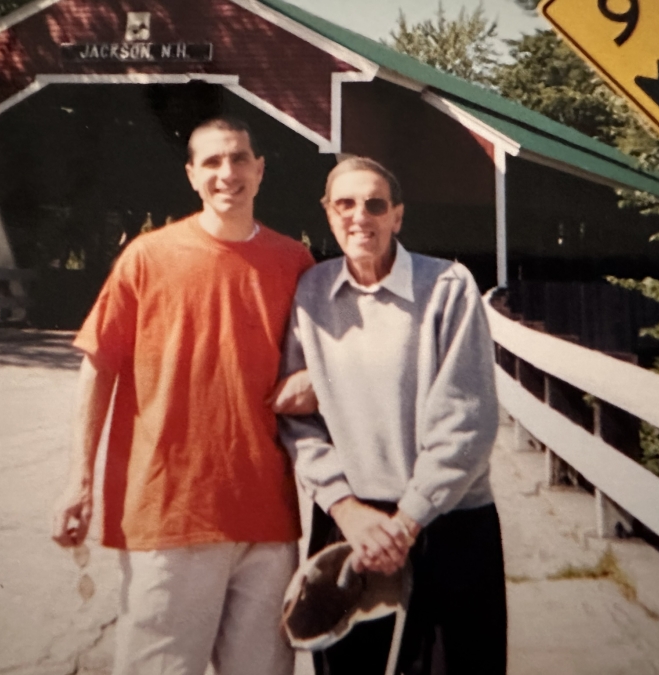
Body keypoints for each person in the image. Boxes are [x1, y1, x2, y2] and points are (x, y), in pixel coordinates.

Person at [50, 116, 314, 675]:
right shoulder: (147, 258)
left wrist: (319, 378)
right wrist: (79, 478)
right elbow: (97, 370)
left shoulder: (295, 264)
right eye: (212, 162)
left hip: (267, 519)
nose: (228, 173)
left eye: (240, 158)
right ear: (192, 175)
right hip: (169, 514)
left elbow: (328, 367)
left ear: (260, 170)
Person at [279, 157, 506, 674]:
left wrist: (407, 523)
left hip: (444, 523)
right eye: (345, 204)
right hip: (350, 523)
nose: (361, 216)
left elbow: (467, 421)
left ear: (397, 216)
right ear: (328, 214)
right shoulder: (312, 292)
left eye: (375, 204)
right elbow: (299, 420)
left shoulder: (447, 286)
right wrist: (344, 507)